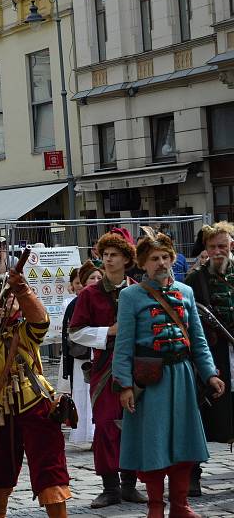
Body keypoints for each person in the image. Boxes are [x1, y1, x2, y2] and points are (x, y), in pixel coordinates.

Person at [113, 228, 225, 518]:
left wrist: (210, 373)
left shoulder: (186, 292)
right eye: (154, 259)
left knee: (184, 442)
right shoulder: (130, 296)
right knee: (153, 444)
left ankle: (180, 504)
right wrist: (124, 385)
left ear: (173, 259)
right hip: (150, 381)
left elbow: (197, 338)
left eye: (165, 257)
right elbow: (123, 344)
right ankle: (154, 507)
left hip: (183, 377)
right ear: (143, 263)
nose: (161, 263)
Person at [0, 269, 70, 518]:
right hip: (0, 407)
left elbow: (41, 321)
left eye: (13, 298)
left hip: (36, 403)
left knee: (49, 468)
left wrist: (22, 288)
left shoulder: (27, 328)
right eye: (4, 297)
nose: (10, 302)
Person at [68, 229, 148, 508]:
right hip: (104, 369)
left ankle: (129, 485)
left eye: (114, 255)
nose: (109, 260)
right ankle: (110, 487)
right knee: (104, 426)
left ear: (127, 259)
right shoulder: (90, 294)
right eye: (105, 255)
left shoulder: (138, 290)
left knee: (132, 425)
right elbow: (75, 332)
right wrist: (108, 331)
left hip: (136, 370)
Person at [184, 222, 234, 495]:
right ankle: (193, 474)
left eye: (222, 246)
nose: (218, 251)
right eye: (212, 246)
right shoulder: (195, 280)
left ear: (231, 246)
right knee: (202, 414)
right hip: (211, 356)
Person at [60, 261, 102, 445]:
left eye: (99, 277)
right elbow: (71, 332)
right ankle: (87, 434)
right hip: (82, 356)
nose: (96, 281)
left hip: (100, 353)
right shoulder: (75, 303)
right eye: (92, 278)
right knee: (83, 393)